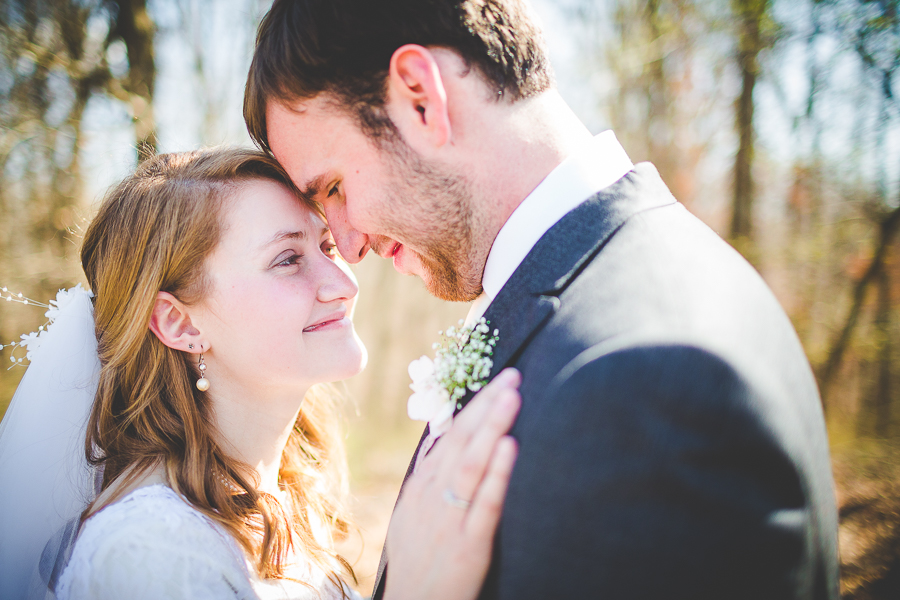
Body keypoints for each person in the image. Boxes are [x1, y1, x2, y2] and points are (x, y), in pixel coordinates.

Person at [243, 1, 841, 598]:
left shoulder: (642, 378)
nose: (348, 243)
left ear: (421, 97)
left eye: (336, 187)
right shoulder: (619, 289)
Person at [0, 148, 521, 600]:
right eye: (288, 259)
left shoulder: (284, 508)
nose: (343, 283)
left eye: (327, 247)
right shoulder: (148, 553)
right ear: (179, 322)